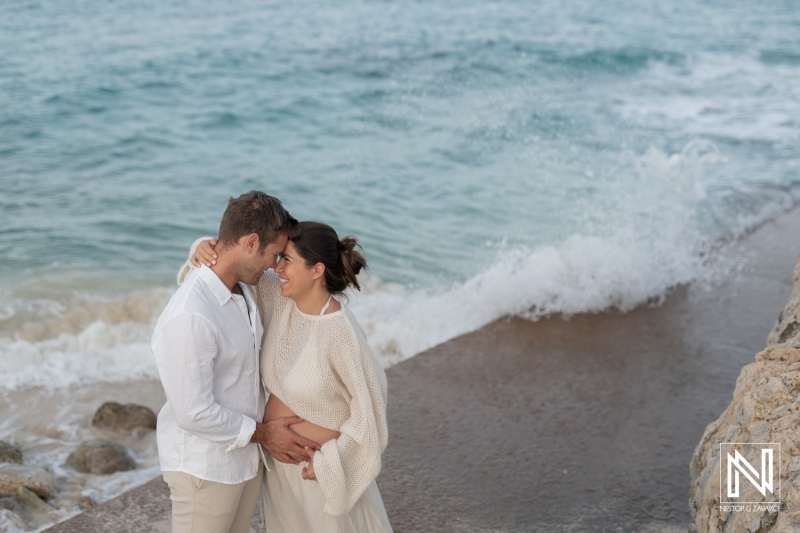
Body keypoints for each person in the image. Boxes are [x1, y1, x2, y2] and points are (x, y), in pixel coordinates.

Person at [189, 221, 392, 533]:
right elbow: (236, 267)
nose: (277, 268)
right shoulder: (280, 297)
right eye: (278, 258)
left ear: (316, 270)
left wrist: (330, 464)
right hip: (282, 475)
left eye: (286, 260)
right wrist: (204, 247)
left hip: (317, 475)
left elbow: (371, 414)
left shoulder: (341, 332)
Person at [153, 191, 319, 533]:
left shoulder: (245, 291)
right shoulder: (191, 316)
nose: (274, 266)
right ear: (251, 242)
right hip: (205, 470)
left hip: (244, 461)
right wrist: (265, 435)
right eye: (273, 255)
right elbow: (193, 412)